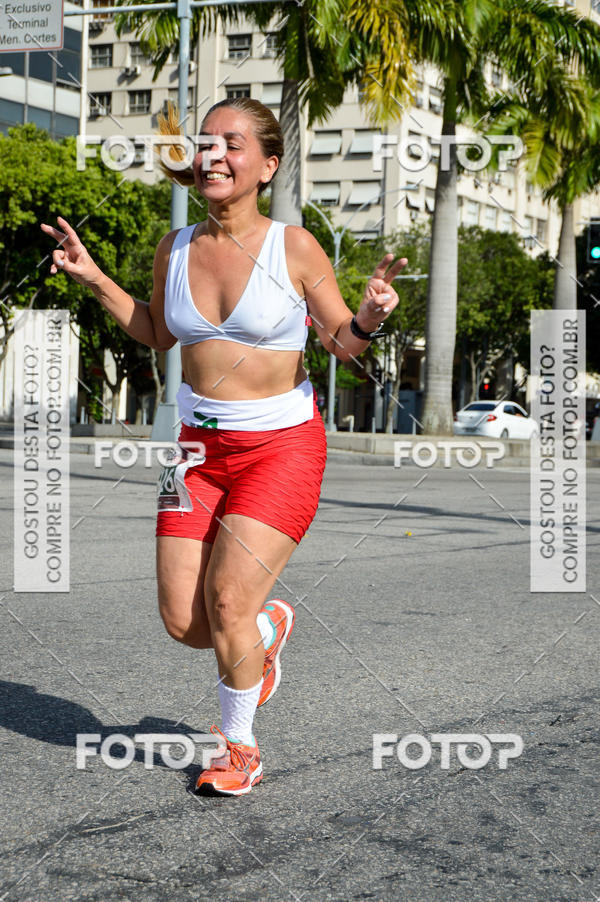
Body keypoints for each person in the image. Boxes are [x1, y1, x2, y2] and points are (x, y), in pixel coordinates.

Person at [41, 97, 407, 796]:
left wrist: (366, 318)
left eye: (233, 144)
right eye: (206, 142)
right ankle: (267, 634)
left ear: (267, 166)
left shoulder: (292, 246)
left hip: (280, 447)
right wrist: (93, 279)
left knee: (228, 603)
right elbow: (157, 332)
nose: (214, 154)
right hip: (194, 452)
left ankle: (238, 748)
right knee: (186, 622)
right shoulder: (174, 247)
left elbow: (338, 344)